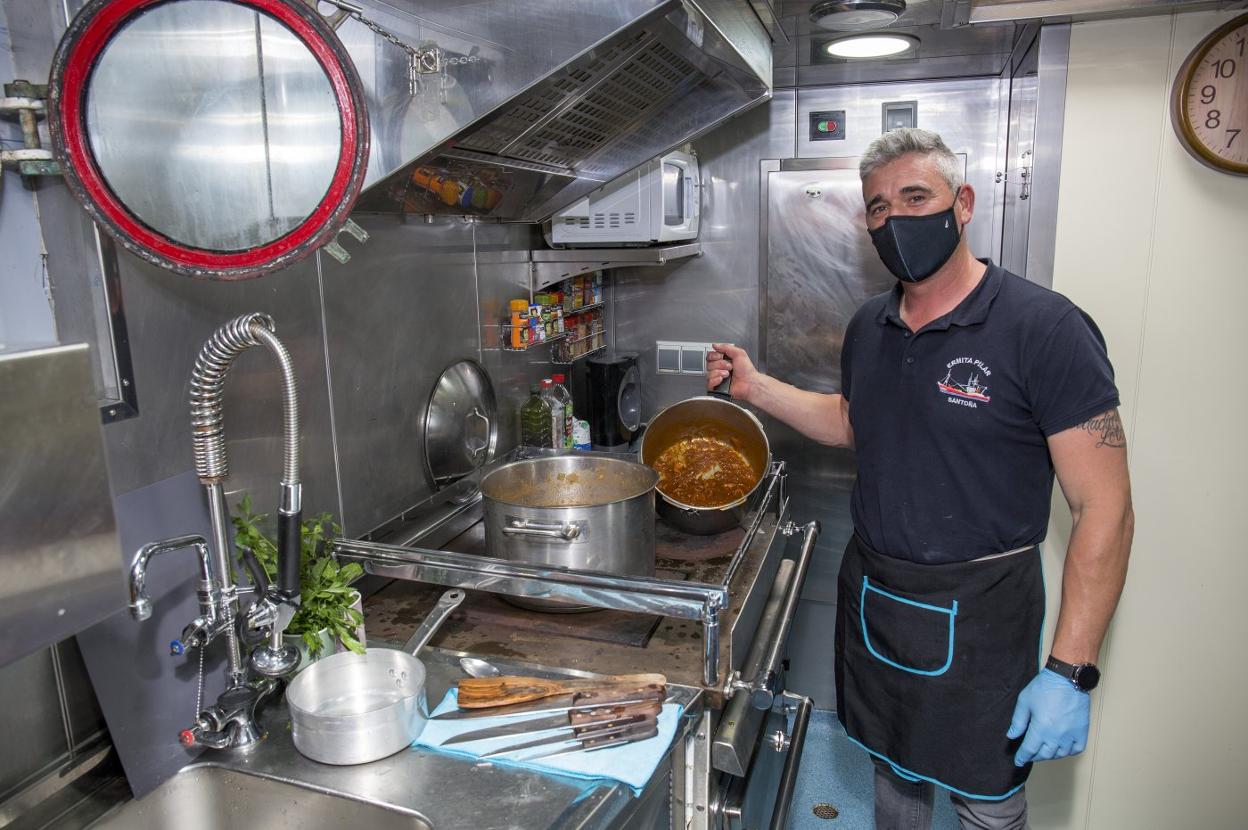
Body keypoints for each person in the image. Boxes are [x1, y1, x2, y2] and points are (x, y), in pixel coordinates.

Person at [706, 128, 1133, 830]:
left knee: (987, 800)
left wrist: (1070, 671)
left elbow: (1105, 509)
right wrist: (757, 389)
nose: (895, 219)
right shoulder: (870, 325)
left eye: (915, 197)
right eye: (878, 207)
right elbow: (853, 422)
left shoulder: (1044, 327)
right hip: (877, 595)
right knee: (892, 773)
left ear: (961, 204)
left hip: (984, 613)